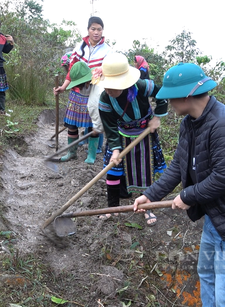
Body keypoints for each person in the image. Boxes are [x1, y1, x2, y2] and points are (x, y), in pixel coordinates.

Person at [133, 63, 225, 306]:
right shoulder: (190, 123)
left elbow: (224, 178)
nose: (169, 103)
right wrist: (150, 196)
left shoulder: (224, 124)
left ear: (186, 96)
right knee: (207, 276)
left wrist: (187, 196)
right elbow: (178, 165)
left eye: (171, 97)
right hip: (217, 219)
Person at [98, 52, 168, 225]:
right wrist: (115, 149)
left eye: (113, 87)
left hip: (145, 134)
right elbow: (110, 127)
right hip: (121, 135)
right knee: (113, 170)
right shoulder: (105, 99)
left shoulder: (143, 86)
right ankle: (111, 208)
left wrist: (156, 118)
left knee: (146, 170)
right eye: (107, 86)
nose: (108, 90)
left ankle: (147, 208)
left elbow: (163, 95)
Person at [53, 16, 110, 164]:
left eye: (99, 29)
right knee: (72, 124)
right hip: (77, 91)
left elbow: (109, 71)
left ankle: (91, 155)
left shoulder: (107, 51)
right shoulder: (79, 48)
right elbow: (72, 71)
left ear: (102, 31)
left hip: (94, 90)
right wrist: (63, 87)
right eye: (93, 29)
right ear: (88, 30)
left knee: (93, 124)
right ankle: (72, 152)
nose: (96, 32)